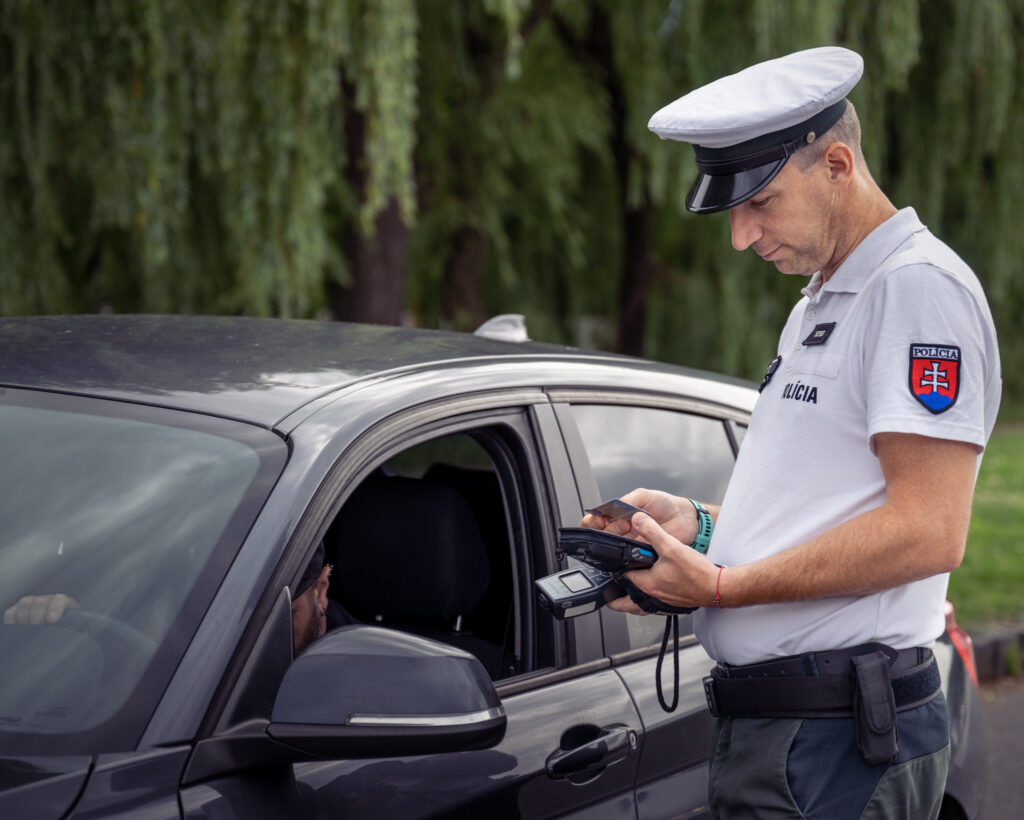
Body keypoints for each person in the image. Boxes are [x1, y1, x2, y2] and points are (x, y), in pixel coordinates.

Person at [583, 47, 1002, 819]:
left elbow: (928, 531)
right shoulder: (821, 299)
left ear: (837, 165)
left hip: (837, 740)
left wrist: (718, 588)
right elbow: (825, 499)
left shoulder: (914, 291)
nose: (742, 237)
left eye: (762, 202)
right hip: (793, 733)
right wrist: (704, 531)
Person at [3, 542, 355, 657]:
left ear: (321, 589)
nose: (242, 637)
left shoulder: (358, 671)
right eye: (215, 607)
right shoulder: (176, 640)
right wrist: (51, 632)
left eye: (275, 613)